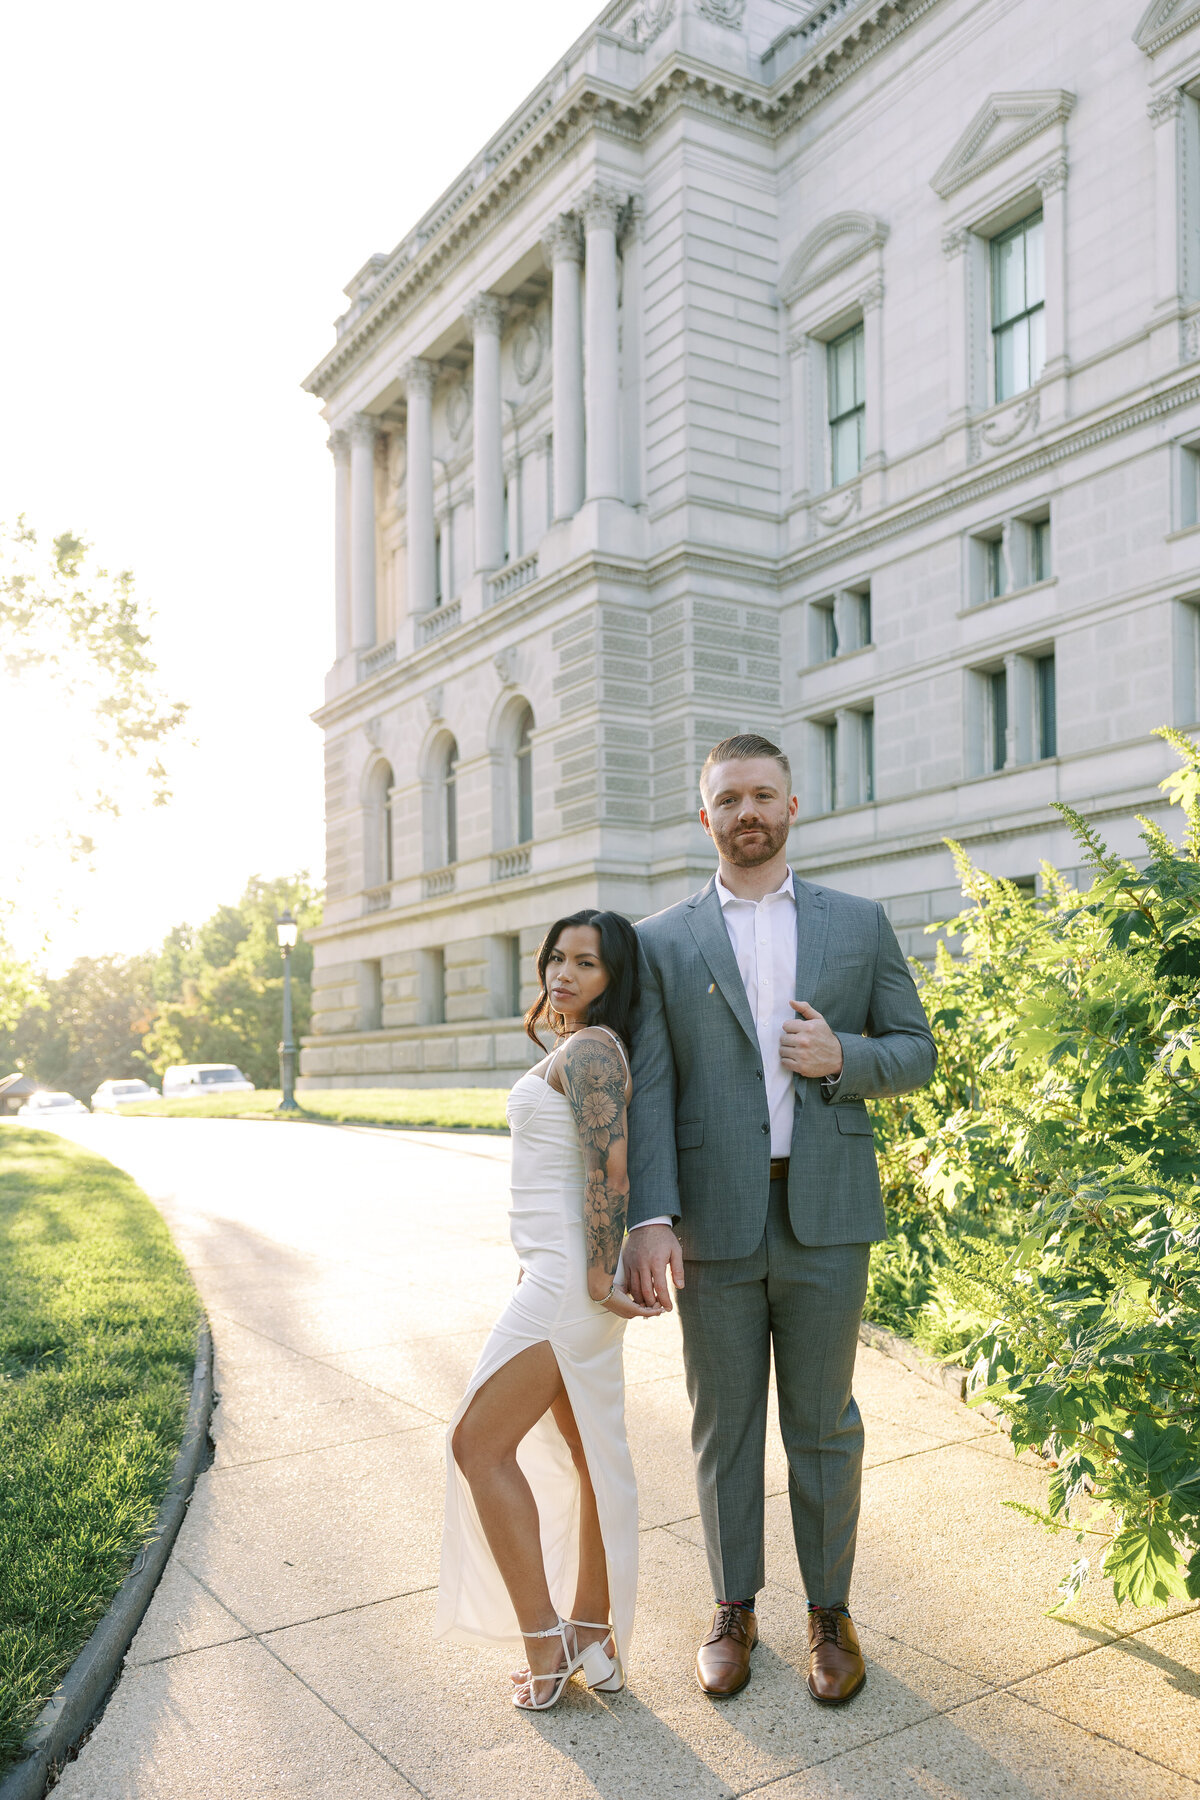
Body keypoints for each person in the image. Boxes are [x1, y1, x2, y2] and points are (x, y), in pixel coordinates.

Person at [623, 734, 936, 1706]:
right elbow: (648, 1091)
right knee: (724, 1426)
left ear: (793, 808)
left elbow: (917, 1052)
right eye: (729, 799)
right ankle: (733, 1608)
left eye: (764, 795)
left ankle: (830, 1613)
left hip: (825, 1214)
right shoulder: (661, 941)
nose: (747, 812)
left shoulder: (859, 923)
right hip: (712, 1222)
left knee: (824, 1426)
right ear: (704, 814)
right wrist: (650, 1218)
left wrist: (840, 1055)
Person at [435, 909, 661, 1712]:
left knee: (475, 1443)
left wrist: (598, 1278)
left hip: (568, 1285)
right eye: (557, 959)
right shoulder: (578, 1048)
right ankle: (591, 1633)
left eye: (586, 964)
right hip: (557, 1276)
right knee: (589, 1454)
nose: (563, 975)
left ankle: (547, 1640)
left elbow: (611, 1171)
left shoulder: (593, 1049)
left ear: (614, 979)